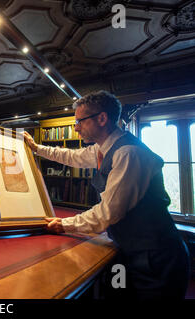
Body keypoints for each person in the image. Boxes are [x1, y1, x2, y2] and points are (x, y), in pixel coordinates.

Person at [23, 90, 190, 299]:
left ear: (102, 118)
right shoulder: (102, 148)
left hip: (156, 259)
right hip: (131, 250)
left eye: (80, 122)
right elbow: (70, 156)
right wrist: (36, 148)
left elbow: (107, 213)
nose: (76, 128)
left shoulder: (128, 153)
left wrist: (63, 224)